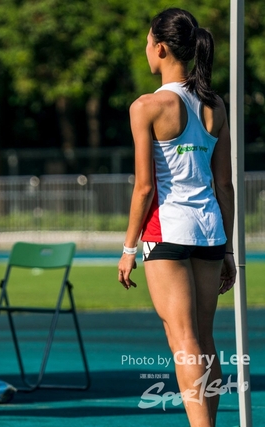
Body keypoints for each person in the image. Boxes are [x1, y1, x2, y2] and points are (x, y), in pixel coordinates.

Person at [117, 8, 237, 427]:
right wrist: (229, 248)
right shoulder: (214, 104)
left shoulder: (147, 106)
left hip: (166, 231)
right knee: (204, 340)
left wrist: (128, 248)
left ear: (161, 47)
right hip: (210, 233)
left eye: (148, 42)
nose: (146, 49)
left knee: (184, 341)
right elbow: (225, 185)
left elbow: (145, 188)